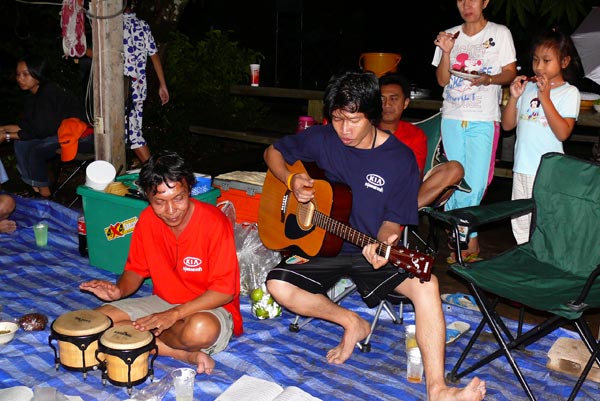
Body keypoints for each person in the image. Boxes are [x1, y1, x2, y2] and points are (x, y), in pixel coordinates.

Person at [263, 70, 486, 401]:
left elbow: (393, 224)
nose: (344, 129)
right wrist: (291, 180)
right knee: (277, 284)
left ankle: (437, 389)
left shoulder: (399, 160)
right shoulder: (323, 138)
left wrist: (383, 244)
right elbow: (272, 152)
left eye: (353, 120)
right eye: (338, 119)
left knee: (428, 285)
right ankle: (350, 321)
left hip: (370, 249)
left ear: (372, 115)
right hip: (323, 246)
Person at [80, 150, 242, 374]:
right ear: (147, 196)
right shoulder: (148, 219)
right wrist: (119, 291)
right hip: (164, 301)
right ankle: (181, 354)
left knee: (199, 330)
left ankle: (135, 334)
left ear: (189, 189)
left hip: (209, 308)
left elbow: (224, 292)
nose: (171, 210)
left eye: (179, 198)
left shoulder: (214, 223)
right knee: (96, 322)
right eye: (160, 202)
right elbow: (136, 270)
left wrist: (173, 315)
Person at [432, 0, 517, 263]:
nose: (467, 5)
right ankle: (465, 242)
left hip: (483, 118)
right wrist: (447, 51)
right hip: (452, 117)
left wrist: (489, 79)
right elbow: (442, 80)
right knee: (453, 181)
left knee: (477, 183)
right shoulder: (449, 35)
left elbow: (510, 72)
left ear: (485, 2)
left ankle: (462, 233)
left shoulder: (500, 33)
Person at [501, 28, 580, 244]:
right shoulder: (528, 88)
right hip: (522, 167)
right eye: (536, 60)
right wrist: (514, 98)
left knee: (546, 219)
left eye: (546, 60)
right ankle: (525, 253)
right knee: (520, 220)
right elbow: (507, 125)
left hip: (548, 171)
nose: (539, 66)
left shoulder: (569, 92)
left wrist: (544, 98)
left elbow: (563, 133)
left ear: (564, 62)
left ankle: (544, 256)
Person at [0, 55, 89, 198]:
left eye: (25, 74)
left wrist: (7, 136)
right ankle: (34, 186)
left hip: (80, 135)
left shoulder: (49, 92)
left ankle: (45, 195)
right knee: (21, 144)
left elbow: (41, 130)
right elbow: (27, 126)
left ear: (37, 73)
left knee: (36, 150)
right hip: (58, 133)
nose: (20, 78)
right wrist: (4, 129)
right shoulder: (33, 95)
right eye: (18, 74)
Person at [378, 72, 465, 209]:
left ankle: (403, 210)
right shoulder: (364, 129)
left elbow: (415, 176)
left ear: (405, 103)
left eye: (393, 99)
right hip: (370, 187)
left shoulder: (415, 135)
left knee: (455, 168)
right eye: (381, 99)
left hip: (403, 193)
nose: (387, 104)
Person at [123, 0, 169, 165]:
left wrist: (79, 50)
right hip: (139, 89)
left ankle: (155, 173)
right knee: (131, 133)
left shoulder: (112, 26)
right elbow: (154, 55)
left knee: (133, 135)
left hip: (124, 90)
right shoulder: (143, 25)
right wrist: (162, 85)